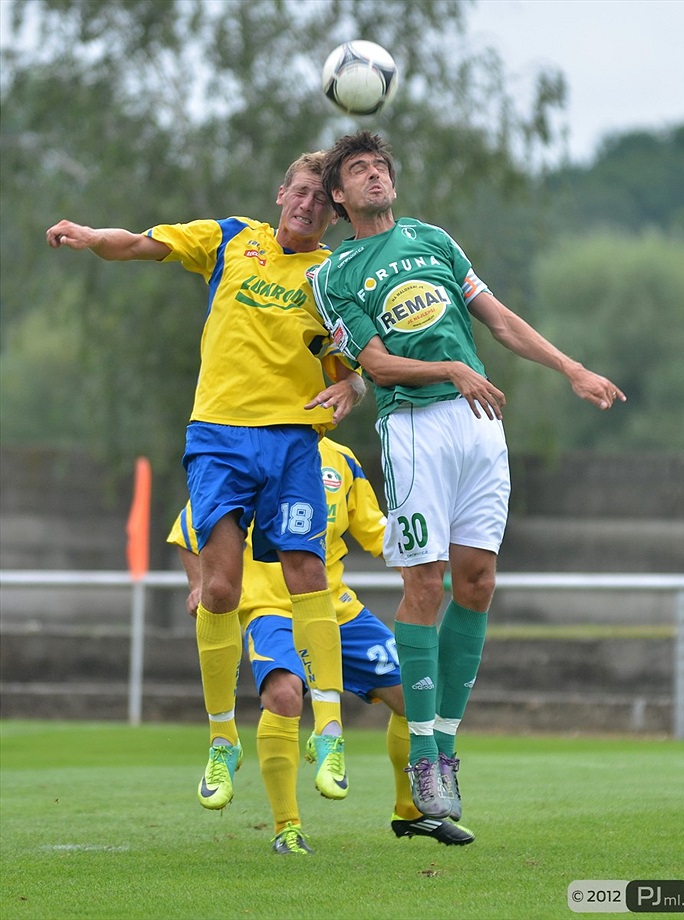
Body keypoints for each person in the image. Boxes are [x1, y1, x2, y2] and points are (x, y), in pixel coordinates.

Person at [309, 130, 627, 821]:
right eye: (358, 170)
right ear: (338, 194)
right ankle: (422, 756)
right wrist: (453, 368)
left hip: (480, 422)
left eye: (380, 166)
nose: (374, 176)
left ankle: (446, 746)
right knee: (425, 583)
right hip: (414, 426)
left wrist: (571, 368)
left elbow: (501, 321)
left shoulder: (434, 240)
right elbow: (375, 365)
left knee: (477, 582)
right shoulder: (334, 273)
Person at [46, 152, 365, 811]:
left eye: (323, 201)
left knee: (308, 572)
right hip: (218, 437)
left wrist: (353, 391)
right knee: (219, 589)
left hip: (292, 440)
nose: (309, 205)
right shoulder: (231, 238)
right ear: (281, 193)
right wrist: (91, 236)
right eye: (302, 192)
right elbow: (141, 244)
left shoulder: (332, 276)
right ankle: (223, 738)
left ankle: (330, 730)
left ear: (334, 217)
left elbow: (354, 369)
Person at [168, 436, 475, 853]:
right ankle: (287, 827)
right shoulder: (251, 450)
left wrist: (420, 565)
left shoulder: (342, 460)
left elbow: (375, 530)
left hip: (336, 610)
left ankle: (410, 811)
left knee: (416, 693)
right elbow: (189, 528)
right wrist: (199, 584)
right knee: (283, 695)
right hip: (271, 610)